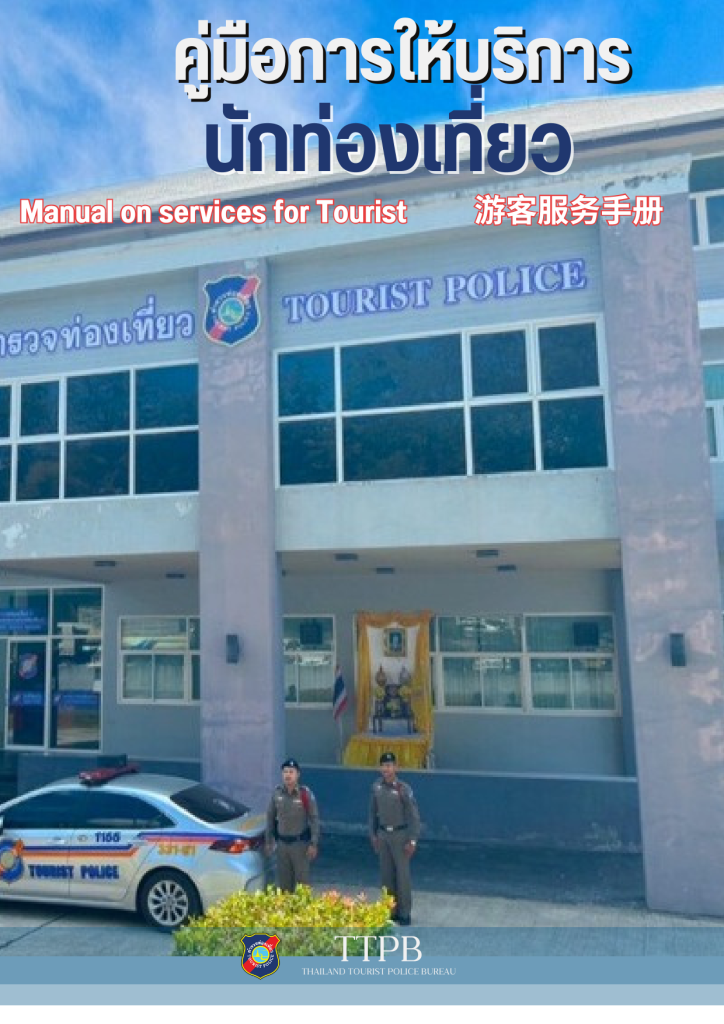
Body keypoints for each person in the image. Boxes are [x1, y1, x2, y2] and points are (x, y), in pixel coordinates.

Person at [369, 751, 420, 926]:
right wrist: (373, 834)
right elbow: (372, 813)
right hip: (383, 835)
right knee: (386, 875)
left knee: (402, 876)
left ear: (396, 767)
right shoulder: (376, 787)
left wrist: (412, 839)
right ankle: (390, 911)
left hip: (400, 835)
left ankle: (404, 913)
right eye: (383, 765)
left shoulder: (403, 789)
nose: (386, 769)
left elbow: (413, 815)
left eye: (389, 765)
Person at [265, 758, 320, 893]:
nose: (288, 775)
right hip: (282, 846)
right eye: (285, 772)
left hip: (300, 846)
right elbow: (270, 817)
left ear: (297, 774)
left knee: (302, 887)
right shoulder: (277, 793)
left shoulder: (305, 794)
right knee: (284, 887)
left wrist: (313, 843)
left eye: (291, 772)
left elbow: (314, 819)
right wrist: (268, 841)